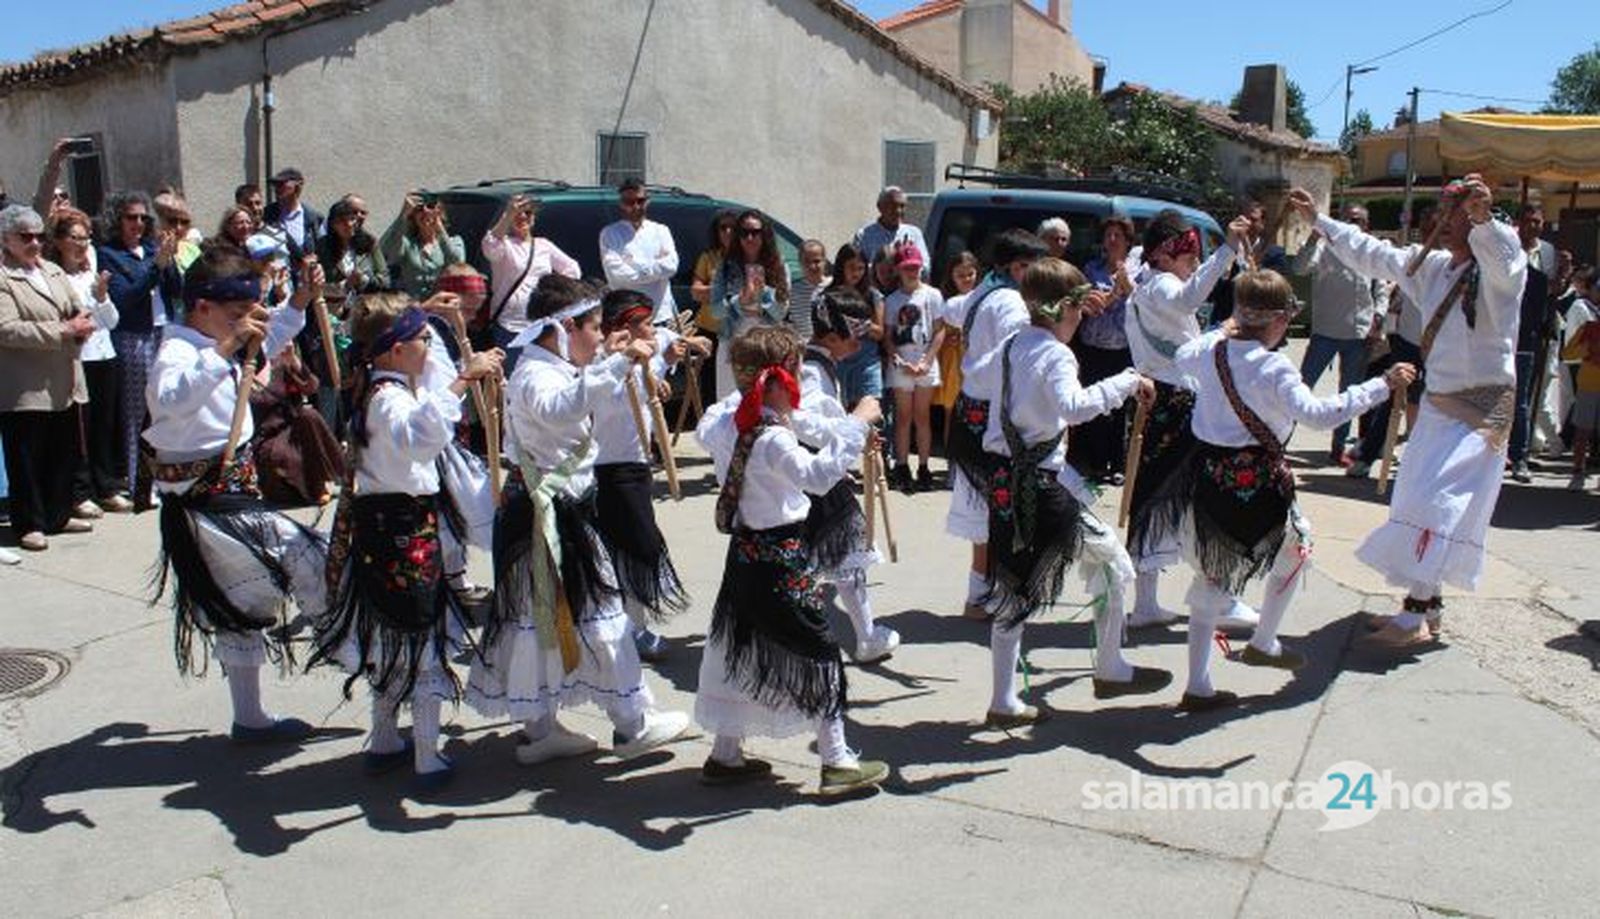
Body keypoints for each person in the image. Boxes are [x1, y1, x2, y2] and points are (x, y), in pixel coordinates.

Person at [1287, 176, 1528, 648]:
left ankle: (1416, 611)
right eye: (1448, 213)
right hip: (1439, 399)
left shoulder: (1502, 270)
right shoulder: (1433, 267)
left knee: (1440, 504)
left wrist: (1483, 215)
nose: (1451, 222)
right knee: (1414, 496)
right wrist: (1318, 221)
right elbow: (1372, 254)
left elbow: (1506, 257)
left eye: (1460, 214)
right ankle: (1427, 603)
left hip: (1484, 407)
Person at [1162, 270, 1413, 709]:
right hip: (1260, 483)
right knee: (1295, 555)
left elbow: (1182, 354)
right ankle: (1264, 639)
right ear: (1279, 320)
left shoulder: (1209, 354)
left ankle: (1198, 683)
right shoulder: (1273, 365)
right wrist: (1382, 385)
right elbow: (1319, 415)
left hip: (1209, 479)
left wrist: (1224, 327)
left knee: (1210, 573)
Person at [466, 279, 690, 765]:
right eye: (592, 328)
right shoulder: (536, 376)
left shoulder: (555, 366)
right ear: (566, 327)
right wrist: (617, 361)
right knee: (594, 616)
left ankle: (542, 728)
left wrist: (613, 360)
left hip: (555, 511)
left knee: (543, 619)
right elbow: (561, 409)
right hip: (549, 516)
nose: (598, 337)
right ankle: (632, 723)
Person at [962, 257, 1170, 726]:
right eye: (1077, 309)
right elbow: (1073, 407)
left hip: (1004, 483)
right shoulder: (1056, 353)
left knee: (1013, 589)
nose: (1080, 319)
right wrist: (1128, 381)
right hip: (1041, 489)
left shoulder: (1013, 344)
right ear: (1061, 310)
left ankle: (1004, 700)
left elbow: (975, 382)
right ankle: (1111, 667)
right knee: (1115, 564)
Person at [311, 295, 502, 792]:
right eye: (421, 340)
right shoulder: (389, 398)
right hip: (403, 529)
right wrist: (463, 380)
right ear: (394, 350)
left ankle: (383, 740)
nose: (427, 347)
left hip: (387, 525)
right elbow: (420, 438)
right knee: (420, 632)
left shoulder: (379, 388)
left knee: (391, 633)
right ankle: (425, 755)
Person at [694, 324, 891, 795]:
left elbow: (712, 428)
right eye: (797, 373)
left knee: (742, 646)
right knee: (818, 650)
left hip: (743, 556)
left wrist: (841, 431)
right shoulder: (772, 438)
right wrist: (859, 420)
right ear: (780, 380)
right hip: (781, 556)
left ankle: (725, 753)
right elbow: (820, 476)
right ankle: (837, 761)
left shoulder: (729, 423)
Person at [144, 245, 325, 740]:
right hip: (211, 501)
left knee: (241, 606)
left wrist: (299, 304)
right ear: (202, 307)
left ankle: (249, 718)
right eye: (236, 314)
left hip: (231, 491)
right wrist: (224, 349)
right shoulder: (177, 351)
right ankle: (369, 665)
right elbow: (169, 399)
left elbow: (271, 338)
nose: (247, 323)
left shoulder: (218, 340)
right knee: (310, 562)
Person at [1123, 208, 1253, 633]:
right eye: (1189, 254)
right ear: (1166, 253)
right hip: (1178, 404)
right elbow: (1188, 298)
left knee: (1157, 497)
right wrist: (1226, 251)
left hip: (1161, 402)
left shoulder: (1143, 285)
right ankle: (1222, 598)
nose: (1195, 262)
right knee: (1208, 497)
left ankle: (1147, 604)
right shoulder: (1162, 284)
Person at [943, 230, 1048, 620]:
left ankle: (979, 594)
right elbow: (1016, 357)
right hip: (992, 416)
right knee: (1001, 510)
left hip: (972, 408)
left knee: (986, 511)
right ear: (1008, 267)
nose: (1032, 274)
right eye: (1026, 267)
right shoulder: (1010, 305)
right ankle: (993, 596)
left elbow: (950, 309)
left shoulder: (985, 290)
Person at [589, 288, 696, 664]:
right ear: (623, 328)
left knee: (631, 550)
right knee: (636, 548)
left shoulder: (645, 350)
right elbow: (606, 399)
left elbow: (668, 343)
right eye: (645, 323)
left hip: (635, 464)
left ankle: (629, 626)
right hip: (609, 467)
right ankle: (629, 631)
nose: (654, 329)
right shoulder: (603, 365)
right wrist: (631, 366)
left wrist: (675, 353)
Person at [799, 291, 901, 664]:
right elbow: (805, 424)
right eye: (852, 337)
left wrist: (854, 427)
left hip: (819, 473)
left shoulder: (820, 363)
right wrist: (854, 421)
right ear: (829, 337)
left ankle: (865, 635)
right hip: (817, 475)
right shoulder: (811, 370)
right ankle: (865, 637)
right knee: (845, 557)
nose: (858, 345)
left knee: (837, 560)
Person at [0, 205, 96, 552]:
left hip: (64, 379)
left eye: (39, 235)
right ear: (6, 239)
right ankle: (29, 522)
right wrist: (63, 330)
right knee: (27, 457)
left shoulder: (52, 270)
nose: (35, 242)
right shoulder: (3, 276)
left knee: (62, 452)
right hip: (24, 385)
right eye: (26, 236)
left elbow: (76, 306)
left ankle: (57, 514)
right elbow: (6, 328)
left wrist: (82, 322)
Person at [98, 191, 182, 512]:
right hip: (134, 336)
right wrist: (154, 268)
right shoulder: (109, 255)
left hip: (163, 330)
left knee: (166, 406)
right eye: (131, 217)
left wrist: (168, 261)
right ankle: (138, 483)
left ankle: (168, 475)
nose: (138, 223)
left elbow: (175, 290)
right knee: (137, 413)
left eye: (143, 218)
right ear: (118, 220)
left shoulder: (151, 250)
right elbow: (125, 298)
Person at [47, 207, 131, 515]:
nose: (82, 244)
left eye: (86, 237)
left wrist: (101, 295)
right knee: (79, 430)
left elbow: (111, 321)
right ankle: (80, 492)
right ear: (58, 241)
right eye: (75, 237)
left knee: (103, 426)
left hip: (103, 355)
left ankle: (105, 486)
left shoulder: (92, 273)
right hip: (75, 360)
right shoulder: (54, 277)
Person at [1293, 203, 1389, 465]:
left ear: (1366, 226)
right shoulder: (1324, 245)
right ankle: (1279, 440)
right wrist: (1314, 235)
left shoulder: (1370, 249)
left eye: (1358, 220)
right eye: (1348, 219)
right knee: (1300, 387)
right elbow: (1300, 268)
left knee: (1350, 393)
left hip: (1358, 333)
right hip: (1325, 330)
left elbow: (1380, 289)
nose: (1352, 224)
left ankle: (1338, 448)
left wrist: (1379, 315)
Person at [1070, 217, 1139, 484]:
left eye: (1118, 236)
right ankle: (1098, 463)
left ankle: (1118, 464)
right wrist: (1112, 294)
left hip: (1122, 348)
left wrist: (1126, 284)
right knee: (1097, 406)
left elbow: (1139, 305)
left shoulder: (1137, 271)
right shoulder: (1091, 269)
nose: (1112, 240)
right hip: (1094, 347)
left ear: (1127, 242)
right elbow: (1092, 307)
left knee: (1121, 409)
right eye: (1108, 235)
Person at [480, 193, 580, 368]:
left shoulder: (543, 245)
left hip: (539, 323)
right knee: (511, 376)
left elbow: (573, 270)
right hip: (509, 325)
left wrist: (551, 290)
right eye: (518, 214)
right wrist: (508, 213)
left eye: (528, 213)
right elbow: (490, 247)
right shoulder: (505, 244)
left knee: (538, 371)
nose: (523, 217)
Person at [883, 242, 945, 492]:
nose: (912, 272)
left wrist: (927, 361)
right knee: (903, 417)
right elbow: (888, 335)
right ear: (898, 269)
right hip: (902, 363)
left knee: (922, 416)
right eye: (907, 267)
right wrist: (897, 358)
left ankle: (923, 465)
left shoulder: (932, 295)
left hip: (924, 363)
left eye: (916, 267)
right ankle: (901, 464)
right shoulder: (892, 300)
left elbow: (939, 330)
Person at [709, 209, 789, 398]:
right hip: (733, 342)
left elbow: (781, 313)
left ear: (765, 234)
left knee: (765, 402)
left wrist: (764, 293)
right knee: (730, 403)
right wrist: (739, 301)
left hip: (767, 344)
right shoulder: (726, 266)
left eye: (755, 232)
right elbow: (716, 311)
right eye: (744, 233)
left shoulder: (778, 265)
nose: (749, 238)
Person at [1507, 204, 1558, 482]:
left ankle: (1519, 456)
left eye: (1537, 222)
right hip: (1501, 334)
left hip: (1528, 335)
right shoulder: (1507, 249)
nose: (1533, 227)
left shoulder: (1546, 256)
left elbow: (1551, 290)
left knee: (1521, 402)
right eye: (1528, 222)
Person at [600, 178, 679, 326]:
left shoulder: (661, 230)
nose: (635, 206)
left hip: (660, 317)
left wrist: (634, 265)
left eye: (640, 201)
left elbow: (671, 266)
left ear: (648, 201)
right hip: (625, 317)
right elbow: (618, 276)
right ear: (621, 204)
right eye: (629, 202)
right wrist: (656, 267)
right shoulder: (610, 233)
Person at [825, 243, 885, 407]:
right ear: (840, 267)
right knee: (840, 411)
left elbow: (880, 333)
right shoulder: (828, 295)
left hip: (866, 361)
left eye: (861, 268)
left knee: (870, 411)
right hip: (839, 361)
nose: (856, 273)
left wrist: (864, 325)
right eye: (851, 267)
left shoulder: (873, 295)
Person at [380, 192, 465, 300]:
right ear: (414, 217)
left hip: (442, 307)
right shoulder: (408, 244)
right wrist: (403, 214)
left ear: (439, 212)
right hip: (414, 307)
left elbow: (456, 263)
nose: (425, 211)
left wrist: (439, 227)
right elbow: (387, 253)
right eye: (419, 209)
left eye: (430, 207)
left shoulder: (455, 242)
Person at [935, 251, 981, 445]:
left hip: (976, 360)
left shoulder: (983, 299)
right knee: (951, 411)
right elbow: (938, 333)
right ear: (952, 277)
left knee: (975, 411)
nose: (966, 279)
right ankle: (950, 455)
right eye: (960, 276)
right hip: (954, 361)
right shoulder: (946, 302)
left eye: (970, 274)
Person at [1561, 271, 1600, 491]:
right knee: (1582, 429)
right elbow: (1568, 353)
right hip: (1589, 383)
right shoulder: (1588, 327)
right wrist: (1588, 350)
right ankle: (1578, 469)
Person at [853, 186, 930, 275]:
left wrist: (908, 261)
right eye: (893, 206)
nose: (898, 211)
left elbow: (925, 267)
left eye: (902, 206)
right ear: (880, 207)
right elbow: (857, 268)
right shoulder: (864, 235)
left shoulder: (914, 233)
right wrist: (887, 265)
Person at [261, 168, 323, 262]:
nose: (277, 188)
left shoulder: (313, 217)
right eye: (275, 185)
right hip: (278, 273)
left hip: (306, 274)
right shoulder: (266, 215)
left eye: (281, 184)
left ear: (298, 186)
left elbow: (321, 248)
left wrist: (315, 259)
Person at [787, 239, 829, 343]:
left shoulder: (833, 286)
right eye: (806, 261)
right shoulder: (793, 290)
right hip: (802, 346)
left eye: (816, 261)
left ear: (824, 261)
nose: (812, 266)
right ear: (800, 263)